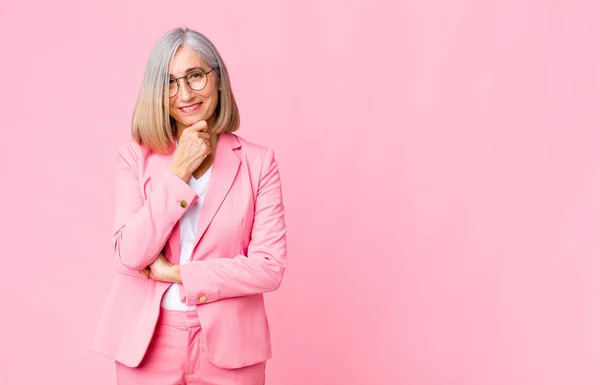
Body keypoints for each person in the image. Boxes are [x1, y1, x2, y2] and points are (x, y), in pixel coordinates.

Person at [91, 27, 287, 385]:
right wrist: (179, 170)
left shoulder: (259, 162)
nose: (184, 94)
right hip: (147, 345)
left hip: (232, 347)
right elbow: (131, 253)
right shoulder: (134, 158)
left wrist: (178, 274)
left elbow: (269, 267)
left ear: (219, 80)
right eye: (168, 82)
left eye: (195, 76)